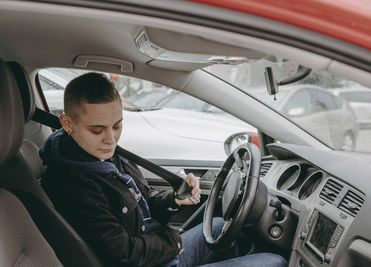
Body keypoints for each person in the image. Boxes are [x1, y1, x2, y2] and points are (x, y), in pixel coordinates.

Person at [40, 72, 287, 267]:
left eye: (117, 126)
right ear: (67, 124)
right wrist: (175, 242)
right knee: (275, 262)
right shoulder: (73, 183)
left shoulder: (103, 156)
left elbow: (142, 200)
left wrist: (175, 200)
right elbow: (125, 253)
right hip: (147, 260)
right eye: (97, 130)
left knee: (220, 225)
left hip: (157, 251)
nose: (111, 139)